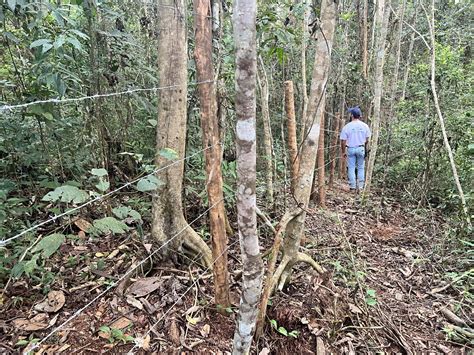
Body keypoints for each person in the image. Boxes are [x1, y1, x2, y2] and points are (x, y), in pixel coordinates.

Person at [340, 106, 371, 190]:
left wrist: (343, 151)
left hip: (350, 149)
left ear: (352, 115)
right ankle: (361, 186)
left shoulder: (347, 126)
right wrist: (364, 145)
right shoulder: (365, 126)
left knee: (351, 167)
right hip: (361, 148)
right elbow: (367, 139)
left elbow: (343, 141)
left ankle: (352, 186)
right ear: (360, 115)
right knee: (361, 167)